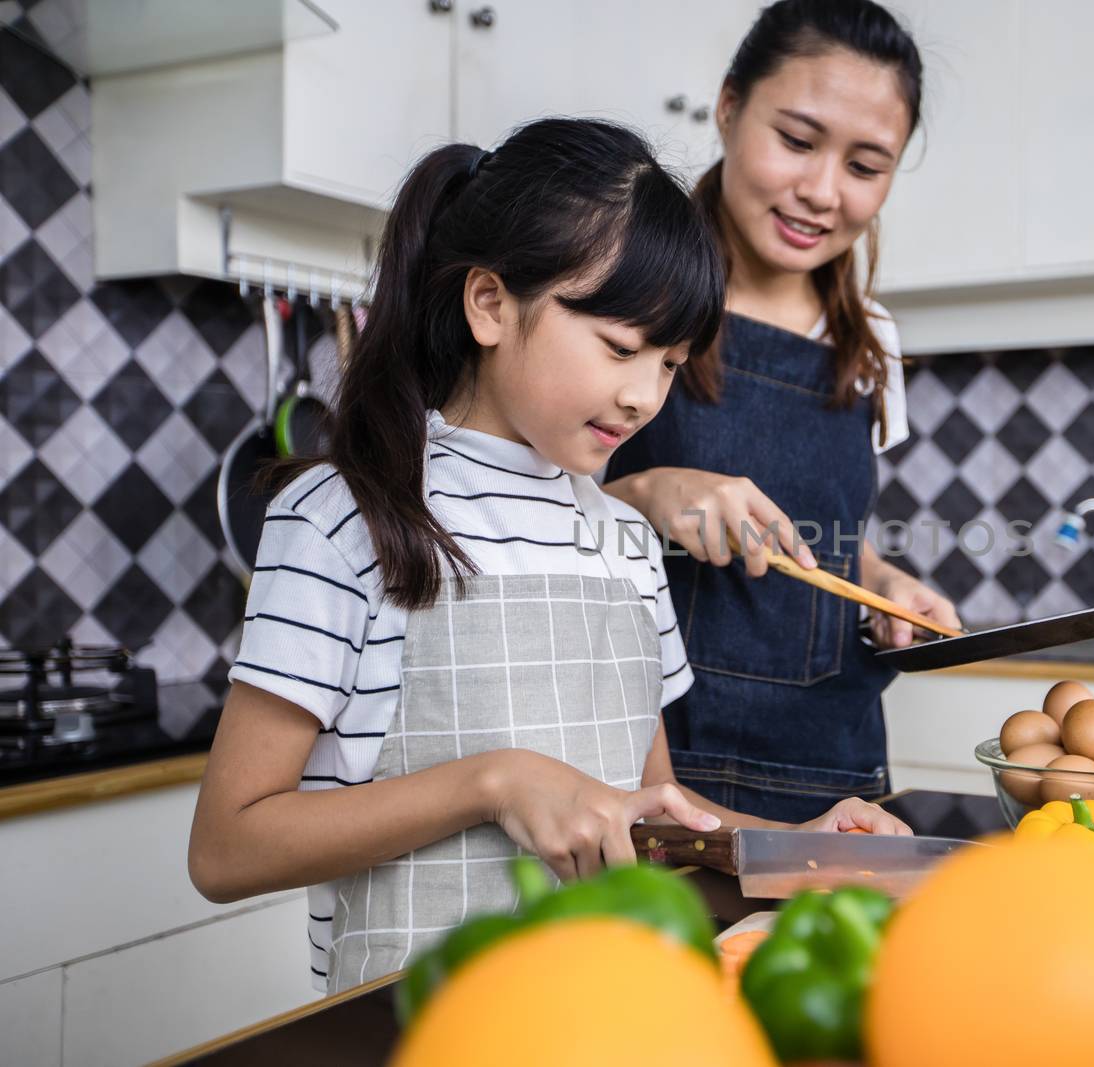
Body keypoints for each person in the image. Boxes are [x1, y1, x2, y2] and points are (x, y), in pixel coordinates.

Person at [187, 118, 906, 995]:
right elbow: (227, 845)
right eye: (619, 345)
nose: (644, 394)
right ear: (490, 303)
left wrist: (805, 847)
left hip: (606, 1011)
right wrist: (496, 781)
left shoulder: (629, 543)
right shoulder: (340, 519)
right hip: (421, 1030)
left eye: (671, 362)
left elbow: (657, 820)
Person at [605, 0, 961, 822]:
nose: (821, 191)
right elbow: (515, 522)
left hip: (832, 776)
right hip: (655, 771)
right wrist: (647, 492)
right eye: (797, 141)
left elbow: (828, 533)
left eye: (866, 166)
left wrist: (882, 588)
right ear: (728, 107)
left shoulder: (869, 338)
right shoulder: (630, 289)